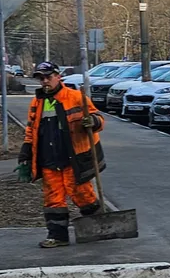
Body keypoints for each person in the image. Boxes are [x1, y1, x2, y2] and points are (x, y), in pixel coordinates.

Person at [17, 61, 105, 248]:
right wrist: (25, 152)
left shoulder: (74, 97)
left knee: (82, 193)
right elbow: (31, 129)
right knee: (53, 198)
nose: (45, 81)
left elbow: (98, 118)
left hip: (73, 157)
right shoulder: (37, 102)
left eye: (48, 77)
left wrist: (93, 121)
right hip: (48, 159)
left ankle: (99, 227)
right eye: (41, 78)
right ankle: (57, 236)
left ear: (58, 77)